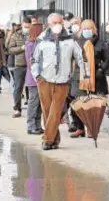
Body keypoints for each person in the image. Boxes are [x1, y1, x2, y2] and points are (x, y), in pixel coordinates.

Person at [31, 13, 85, 150]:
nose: (57, 25)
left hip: (63, 81)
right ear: (49, 24)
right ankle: (55, 139)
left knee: (56, 111)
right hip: (44, 80)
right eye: (54, 23)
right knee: (47, 111)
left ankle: (47, 140)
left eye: (59, 22)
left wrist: (85, 75)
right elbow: (34, 60)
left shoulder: (71, 39)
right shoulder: (41, 39)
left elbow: (80, 58)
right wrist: (37, 76)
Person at [70, 19, 108, 138]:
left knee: (93, 104)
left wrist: (101, 70)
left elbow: (108, 59)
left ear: (94, 29)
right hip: (79, 77)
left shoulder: (100, 43)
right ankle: (80, 127)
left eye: (89, 28)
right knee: (78, 103)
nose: (87, 30)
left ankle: (92, 127)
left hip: (95, 78)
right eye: (84, 28)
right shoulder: (76, 42)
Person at [8, 19, 31, 118]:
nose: (27, 29)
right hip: (20, 65)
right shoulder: (15, 35)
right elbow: (10, 50)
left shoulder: (34, 35)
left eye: (28, 27)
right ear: (22, 26)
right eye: (25, 27)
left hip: (32, 65)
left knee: (32, 88)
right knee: (18, 88)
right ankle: (17, 109)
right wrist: (21, 48)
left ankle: (32, 108)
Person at [25, 23, 44, 135]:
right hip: (33, 78)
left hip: (41, 78)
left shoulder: (39, 44)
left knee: (39, 103)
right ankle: (31, 125)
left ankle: (37, 125)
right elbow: (30, 63)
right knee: (33, 102)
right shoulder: (30, 45)